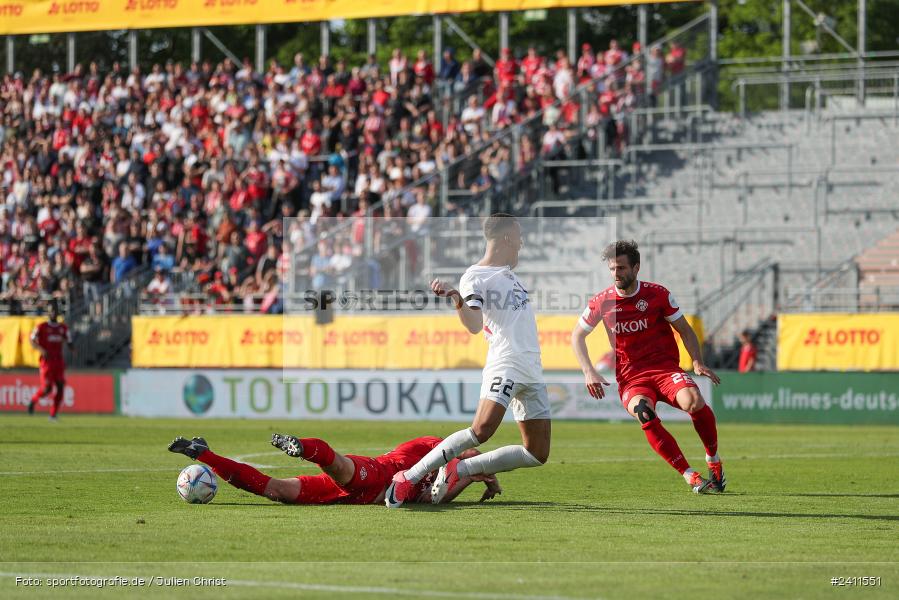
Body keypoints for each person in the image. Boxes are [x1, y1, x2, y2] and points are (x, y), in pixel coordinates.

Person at [386, 213, 551, 508]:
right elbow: (474, 324)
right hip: (507, 363)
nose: (522, 243)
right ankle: (408, 477)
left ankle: (460, 469)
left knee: (537, 453)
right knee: (481, 431)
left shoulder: (510, 276)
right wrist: (456, 298)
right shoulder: (475, 276)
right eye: (519, 237)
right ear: (506, 238)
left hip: (532, 368)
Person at [571, 240, 726, 493]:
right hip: (632, 379)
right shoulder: (602, 301)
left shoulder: (657, 294)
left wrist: (697, 361)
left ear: (636, 268)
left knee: (695, 401)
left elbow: (685, 330)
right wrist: (589, 370)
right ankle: (690, 475)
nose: (616, 274)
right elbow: (577, 335)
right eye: (612, 269)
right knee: (645, 412)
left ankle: (713, 459)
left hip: (666, 370)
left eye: (621, 268)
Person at [167, 434, 501, 505]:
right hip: (381, 472)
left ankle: (203, 453)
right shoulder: (432, 445)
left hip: (361, 500)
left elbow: (434, 499)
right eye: (472, 454)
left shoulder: (450, 475)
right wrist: (473, 468)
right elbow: (461, 452)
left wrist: (471, 477)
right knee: (340, 466)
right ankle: (305, 448)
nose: (474, 456)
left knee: (277, 491)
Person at [27, 301, 73, 420]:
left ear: (58, 312)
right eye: (51, 310)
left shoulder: (63, 328)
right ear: (48, 312)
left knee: (61, 386)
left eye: (55, 310)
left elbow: (69, 341)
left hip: (58, 361)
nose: (53, 312)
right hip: (46, 362)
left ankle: (53, 414)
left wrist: (72, 348)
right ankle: (33, 401)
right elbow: (31, 340)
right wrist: (41, 349)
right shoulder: (41, 327)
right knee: (47, 389)